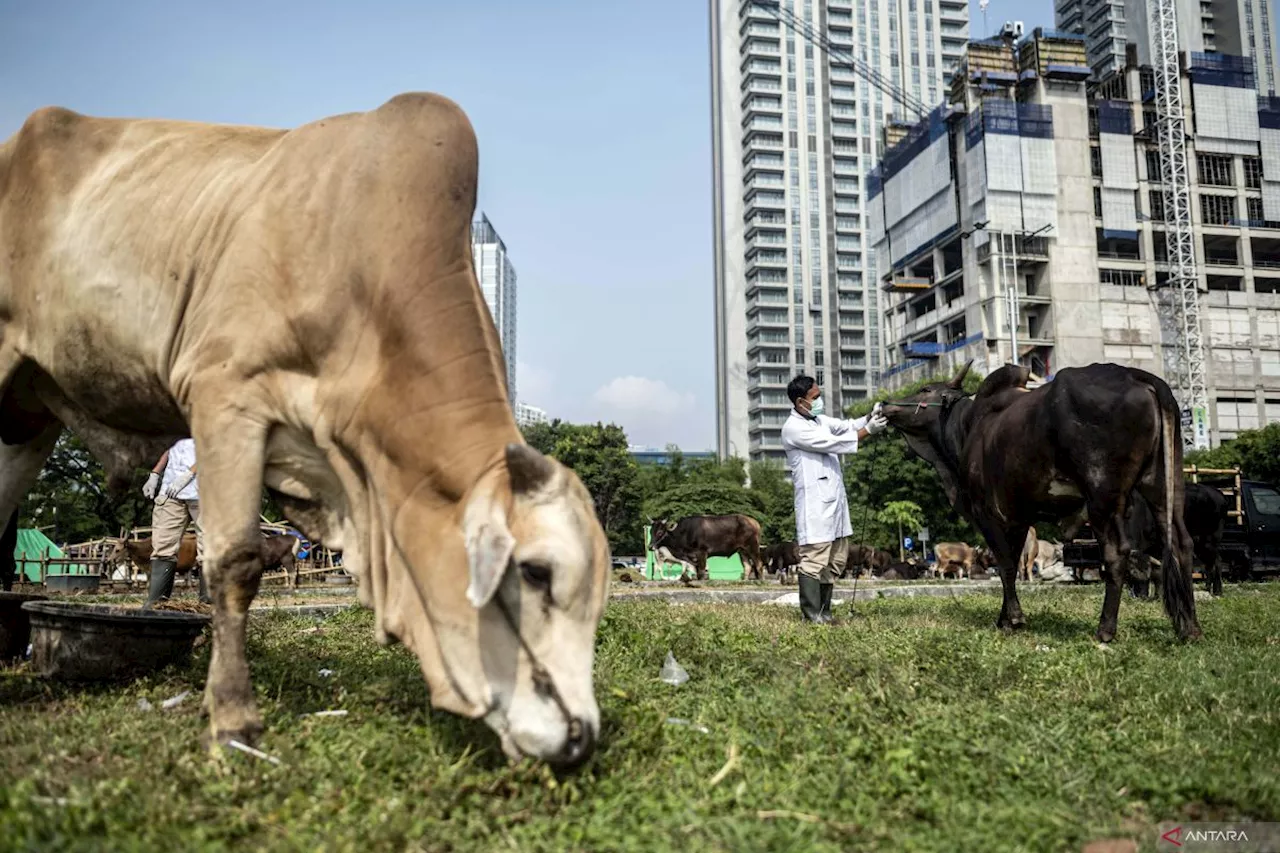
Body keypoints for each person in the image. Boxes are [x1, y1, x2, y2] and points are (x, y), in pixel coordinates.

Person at [781, 376, 889, 624]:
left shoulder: (818, 420)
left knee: (835, 561)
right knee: (814, 560)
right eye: (815, 397)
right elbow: (836, 443)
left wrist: (869, 418)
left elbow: (845, 426)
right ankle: (811, 614)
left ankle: (825, 612)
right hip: (815, 506)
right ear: (800, 402)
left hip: (835, 505)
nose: (819, 401)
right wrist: (868, 432)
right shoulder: (794, 428)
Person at [141, 438, 207, 608]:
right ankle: (156, 605)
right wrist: (155, 473)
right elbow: (169, 445)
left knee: (210, 550)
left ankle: (209, 606)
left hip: (205, 490)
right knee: (163, 546)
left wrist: (190, 473)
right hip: (171, 491)